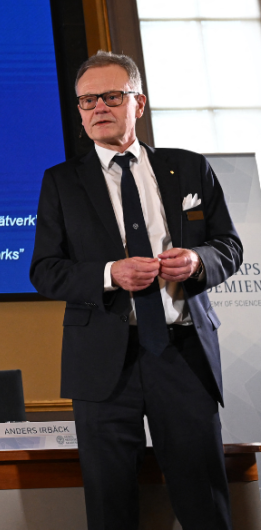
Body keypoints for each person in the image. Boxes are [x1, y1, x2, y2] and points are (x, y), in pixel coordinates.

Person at [30, 51, 242, 530]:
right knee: (111, 506)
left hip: (183, 355)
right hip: (104, 362)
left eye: (110, 96)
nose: (98, 108)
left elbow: (228, 246)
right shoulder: (60, 183)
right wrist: (109, 274)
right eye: (87, 101)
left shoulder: (188, 169)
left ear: (138, 103)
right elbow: (44, 270)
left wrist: (195, 260)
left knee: (204, 498)